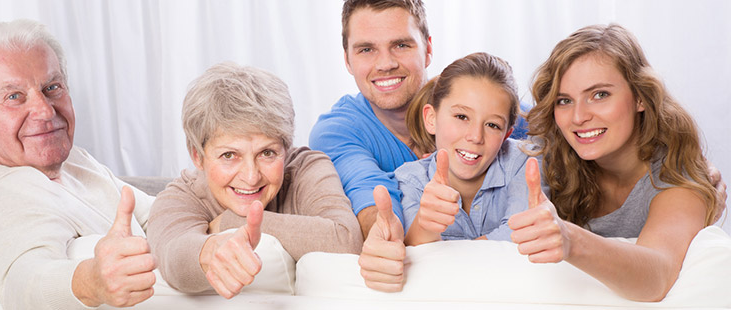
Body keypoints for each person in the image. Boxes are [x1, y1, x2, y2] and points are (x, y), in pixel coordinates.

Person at [309, 0, 532, 292]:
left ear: (427, 49)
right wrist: (387, 237)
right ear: (348, 60)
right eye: (366, 49)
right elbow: (373, 200)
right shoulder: (338, 130)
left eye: (401, 45)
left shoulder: (483, 102)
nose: (385, 63)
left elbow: (558, 141)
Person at [0, 19, 156, 308]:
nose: (44, 110)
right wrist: (92, 280)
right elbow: (23, 279)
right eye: (14, 96)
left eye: (52, 87)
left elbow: (153, 213)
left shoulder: (71, 161)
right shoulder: (5, 191)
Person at [508, 23, 722, 302]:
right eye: (564, 100)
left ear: (640, 98)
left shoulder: (677, 175)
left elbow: (657, 276)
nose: (578, 116)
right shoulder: (545, 156)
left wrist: (570, 239)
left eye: (600, 95)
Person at [147, 62, 362, 299]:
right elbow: (172, 258)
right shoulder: (181, 196)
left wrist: (229, 222)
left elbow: (347, 240)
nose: (251, 176)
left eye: (267, 153)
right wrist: (211, 250)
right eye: (229, 155)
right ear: (198, 156)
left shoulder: (305, 167)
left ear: (286, 149)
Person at [397, 53, 532, 245]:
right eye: (461, 117)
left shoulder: (525, 162)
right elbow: (418, 256)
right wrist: (425, 226)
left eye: (493, 125)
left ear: (506, 135)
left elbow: (521, 232)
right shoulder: (410, 181)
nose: (476, 137)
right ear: (431, 119)